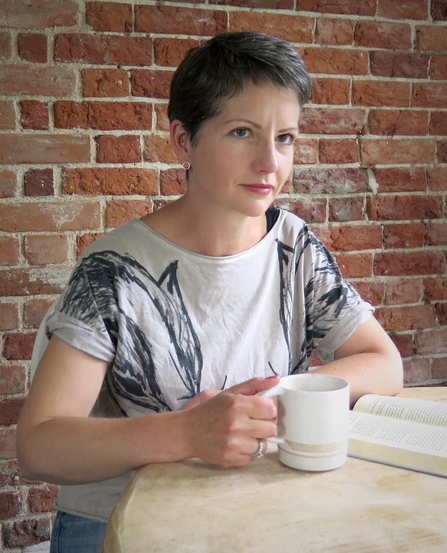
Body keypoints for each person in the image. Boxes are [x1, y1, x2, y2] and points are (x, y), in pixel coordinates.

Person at [17, 31, 403, 552]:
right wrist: (188, 432)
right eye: (243, 132)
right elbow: (39, 444)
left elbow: (384, 363)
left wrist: (271, 395)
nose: (271, 162)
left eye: (285, 137)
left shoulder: (294, 246)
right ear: (183, 140)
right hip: (116, 522)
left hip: (250, 507)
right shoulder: (113, 270)